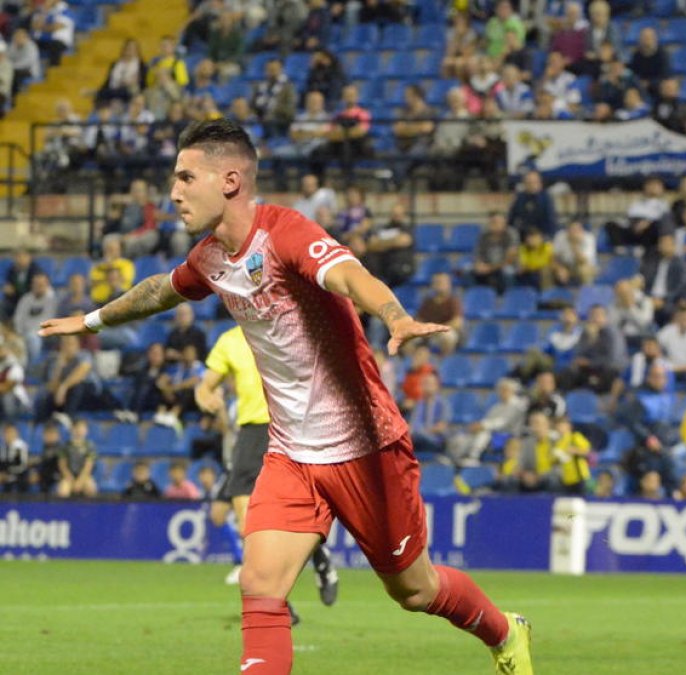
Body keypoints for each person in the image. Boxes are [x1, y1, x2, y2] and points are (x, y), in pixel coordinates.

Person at [38, 119, 533, 674]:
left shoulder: (286, 234)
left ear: (229, 180)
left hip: (365, 449)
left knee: (415, 591)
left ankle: (504, 632)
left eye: (184, 177)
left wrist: (394, 314)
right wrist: (91, 320)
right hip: (291, 454)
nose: (173, 192)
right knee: (260, 583)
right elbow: (160, 290)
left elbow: (348, 275)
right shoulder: (210, 258)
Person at [195, 323, 339, 614]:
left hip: (287, 426)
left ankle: (298, 577)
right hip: (251, 432)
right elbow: (205, 385)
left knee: (267, 517)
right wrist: (204, 397)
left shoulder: (286, 327)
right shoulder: (229, 340)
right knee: (245, 521)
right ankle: (298, 579)